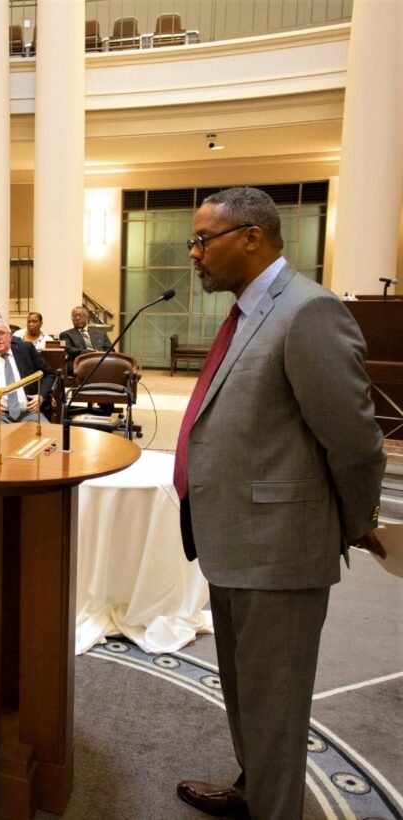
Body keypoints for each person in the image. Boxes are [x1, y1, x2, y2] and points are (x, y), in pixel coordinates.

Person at [173, 187, 385, 820]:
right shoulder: (249, 311)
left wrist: (351, 524)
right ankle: (253, 791)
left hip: (281, 547)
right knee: (245, 692)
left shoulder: (308, 311)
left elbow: (354, 441)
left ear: (251, 238)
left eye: (203, 240)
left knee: (276, 703)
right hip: (235, 538)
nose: (194, 254)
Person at [0, 319, 54, 426]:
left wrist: (41, 396)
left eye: (2, 333)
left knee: (47, 435)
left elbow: (48, 374)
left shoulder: (26, 350)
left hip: (30, 412)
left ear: (10, 336)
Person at [59, 306, 110, 375]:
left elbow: (110, 349)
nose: (78, 318)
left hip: (101, 361)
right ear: (72, 319)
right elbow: (69, 350)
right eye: (75, 316)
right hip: (80, 363)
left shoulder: (100, 333)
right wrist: (90, 353)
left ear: (86, 317)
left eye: (80, 315)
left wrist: (100, 354)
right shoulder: (66, 334)